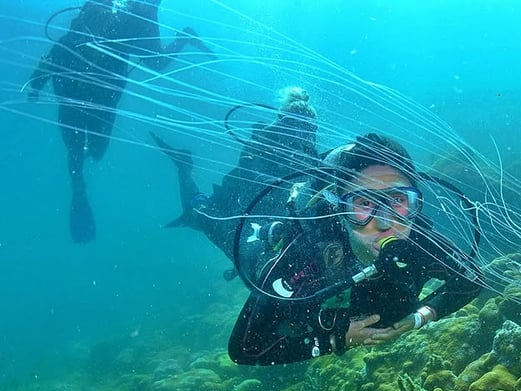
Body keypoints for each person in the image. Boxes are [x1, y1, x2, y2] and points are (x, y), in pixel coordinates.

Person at [227, 133, 484, 365]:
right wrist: (334, 342)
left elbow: (471, 279)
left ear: (415, 203)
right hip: (265, 258)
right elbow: (245, 348)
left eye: (397, 200)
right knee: (236, 244)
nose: (385, 223)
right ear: (340, 210)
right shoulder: (310, 252)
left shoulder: (419, 240)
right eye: (363, 203)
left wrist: (420, 317)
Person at [25, 0, 211, 243]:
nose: (97, 24)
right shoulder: (68, 43)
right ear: (83, 17)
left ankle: (184, 37)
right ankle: (78, 192)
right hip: (72, 108)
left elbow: (153, 59)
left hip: (102, 108)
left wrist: (37, 85)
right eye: (92, 18)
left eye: (101, 17)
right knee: (75, 154)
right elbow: (44, 68)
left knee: (96, 151)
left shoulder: (118, 40)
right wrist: (35, 87)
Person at [152, 86, 319, 262]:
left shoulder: (308, 151)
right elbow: (252, 179)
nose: (303, 135)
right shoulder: (260, 143)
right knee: (198, 215)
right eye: (296, 128)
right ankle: (184, 165)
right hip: (236, 208)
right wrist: (288, 186)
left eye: (309, 130)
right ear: (284, 124)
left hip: (274, 213)